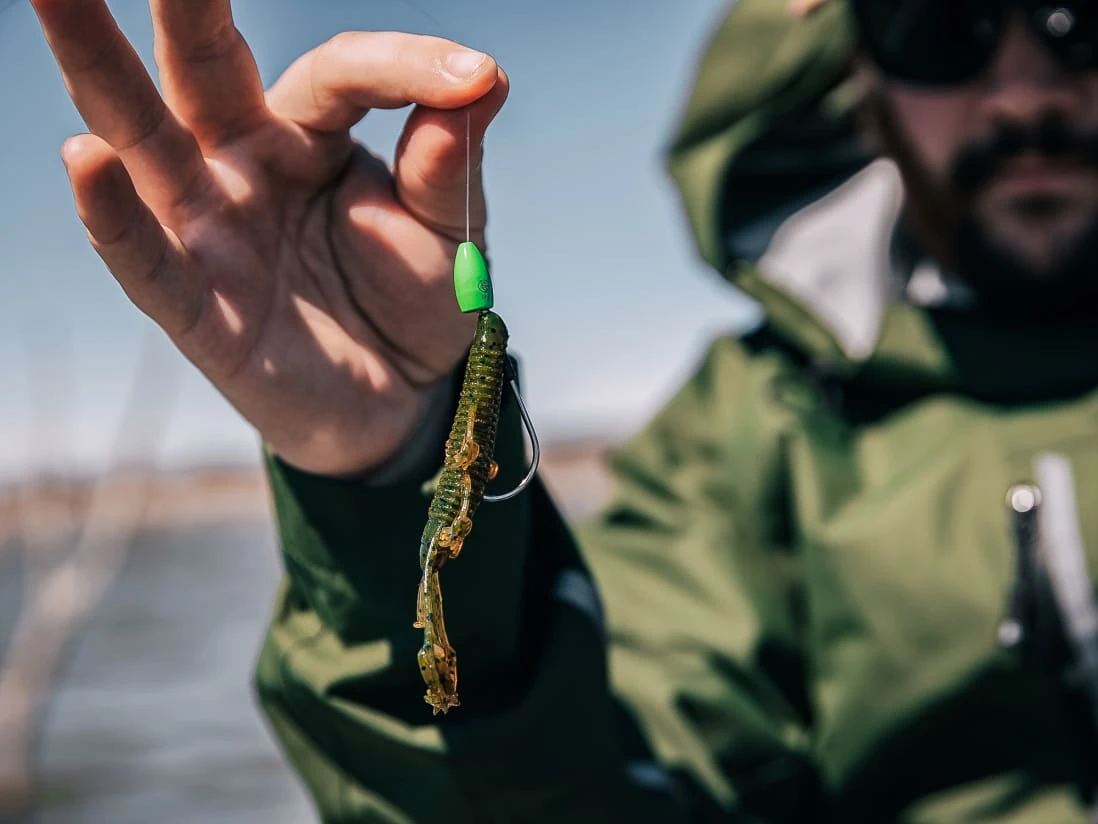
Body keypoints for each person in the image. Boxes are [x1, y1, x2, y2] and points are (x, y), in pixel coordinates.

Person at [27, 0, 1098, 820]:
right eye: (936, 32)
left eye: (1073, 22)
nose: (1023, 99)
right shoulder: (744, 435)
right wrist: (390, 475)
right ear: (856, 80)